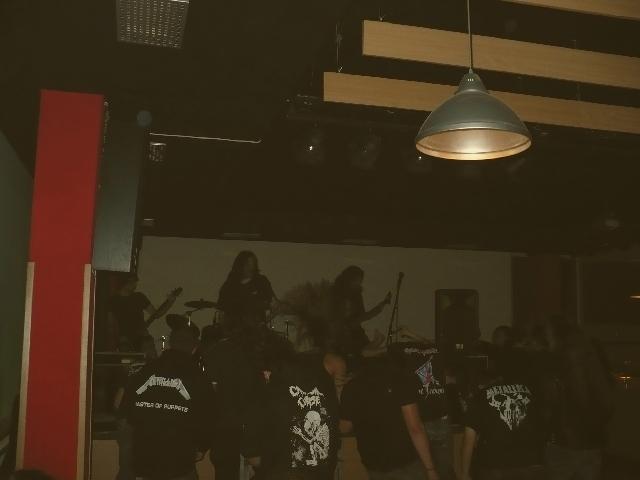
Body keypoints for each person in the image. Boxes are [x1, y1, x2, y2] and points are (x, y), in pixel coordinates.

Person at [119, 326, 214, 480]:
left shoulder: (144, 371)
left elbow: (125, 416)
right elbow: (208, 418)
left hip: (145, 459)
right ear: (194, 348)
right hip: (179, 461)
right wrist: (202, 446)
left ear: (170, 343)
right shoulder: (198, 377)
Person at [248, 336, 342, 480]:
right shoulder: (320, 390)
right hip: (321, 472)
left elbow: (254, 458)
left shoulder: (264, 398)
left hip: (282, 473)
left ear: (267, 371)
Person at [339, 355, 440, 480]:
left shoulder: (352, 387)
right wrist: (430, 469)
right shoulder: (401, 381)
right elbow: (415, 428)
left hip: (374, 463)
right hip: (404, 461)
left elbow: (344, 427)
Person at [543, 317, 613, 480]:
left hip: (564, 442)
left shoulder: (557, 363)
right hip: (593, 441)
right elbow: (608, 404)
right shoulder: (592, 359)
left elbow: (549, 403)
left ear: (555, 335)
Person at [460, 351, 546, 480]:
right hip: (532, 463)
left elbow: (469, 438)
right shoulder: (532, 392)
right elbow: (543, 426)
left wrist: (464, 473)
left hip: (495, 465)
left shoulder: (481, 396)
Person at [203, 317, 266, 480]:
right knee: (261, 468)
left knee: (225, 469)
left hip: (226, 420)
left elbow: (211, 390)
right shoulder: (257, 351)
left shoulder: (217, 350)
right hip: (253, 419)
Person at [390, 342, 455, 480]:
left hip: (421, 418)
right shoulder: (438, 349)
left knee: (423, 467)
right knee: (443, 469)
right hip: (438, 417)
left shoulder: (399, 351)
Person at [329, 266, 391, 360]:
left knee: (362, 354)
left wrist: (383, 304)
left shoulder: (356, 295)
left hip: (352, 332)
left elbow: (363, 316)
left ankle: (381, 346)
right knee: (363, 354)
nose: (359, 283)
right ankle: (380, 345)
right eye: (357, 280)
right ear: (349, 278)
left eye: (360, 281)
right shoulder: (336, 293)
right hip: (346, 332)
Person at [109, 272, 180, 353]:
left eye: (135, 282)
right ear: (125, 282)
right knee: (126, 358)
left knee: (150, 355)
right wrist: (118, 338)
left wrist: (170, 302)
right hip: (125, 339)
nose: (135, 285)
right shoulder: (113, 300)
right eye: (133, 282)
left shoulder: (139, 297)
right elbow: (110, 324)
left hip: (143, 337)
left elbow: (156, 315)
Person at [217, 251, 277, 325]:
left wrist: (263, 322)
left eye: (253, 264)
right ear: (240, 265)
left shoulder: (261, 282)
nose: (251, 268)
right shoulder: (229, 285)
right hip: (233, 328)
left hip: (255, 329)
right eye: (247, 264)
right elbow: (221, 311)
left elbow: (275, 305)